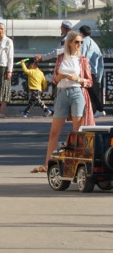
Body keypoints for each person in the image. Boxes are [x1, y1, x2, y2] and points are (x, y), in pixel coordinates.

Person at [31, 31, 94, 173]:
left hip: (77, 93)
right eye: (76, 42)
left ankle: (78, 165)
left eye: (81, 42)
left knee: (78, 131)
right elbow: (54, 79)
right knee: (54, 132)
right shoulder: (61, 58)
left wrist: (77, 79)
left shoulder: (82, 60)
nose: (79, 45)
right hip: (61, 93)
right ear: (69, 43)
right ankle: (48, 164)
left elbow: (89, 82)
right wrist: (61, 76)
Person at [79, 25, 105, 117]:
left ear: (81, 33)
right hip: (93, 72)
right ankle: (96, 109)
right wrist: (99, 76)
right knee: (90, 91)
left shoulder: (83, 43)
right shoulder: (94, 44)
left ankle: (98, 109)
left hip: (85, 71)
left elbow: (82, 57)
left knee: (85, 91)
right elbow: (101, 61)